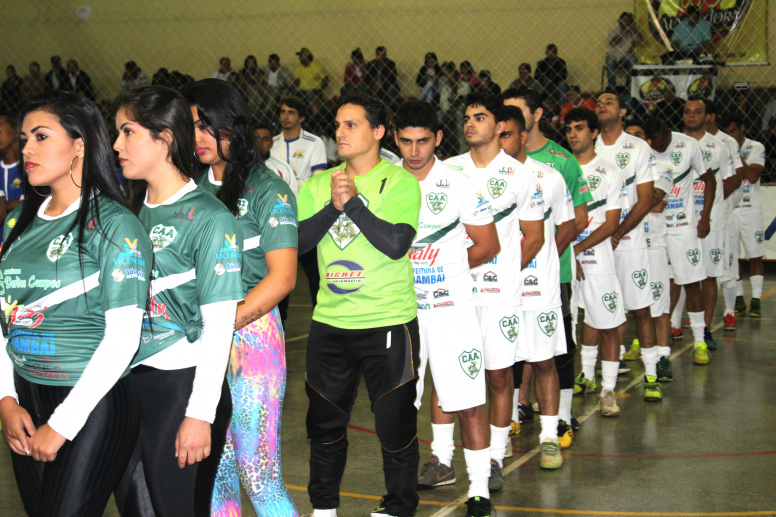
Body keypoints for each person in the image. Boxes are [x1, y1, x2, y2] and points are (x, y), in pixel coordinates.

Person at [0, 90, 152, 516]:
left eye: (41, 136)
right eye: (25, 137)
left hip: (93, 402)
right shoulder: (17, 222)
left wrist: (64, 424)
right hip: (26, 402)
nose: (25, 148)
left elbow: (123, 340)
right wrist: (7, 401)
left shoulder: (116, 225)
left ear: (79, 144)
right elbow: (3, 320)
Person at [112, 85, 240, 517]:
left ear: (164, 138)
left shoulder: (210, 217)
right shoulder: (122, 212)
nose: (116, 145)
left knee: (175, 508)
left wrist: (200, 413)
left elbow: (220, 324)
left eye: (127, 132)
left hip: (179, 386)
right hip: (123, 385)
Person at [297, 90, 421, 517]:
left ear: (378, 131)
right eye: (337, 125)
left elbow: (396, 244)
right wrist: (334, 207)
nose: (340, 132)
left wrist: (352, 205)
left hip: (386, 321)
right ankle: (324, 508)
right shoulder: (317, 184)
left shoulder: (401, 181)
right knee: (324, 423)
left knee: (395, 422)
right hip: (330, 323)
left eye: (351, 124)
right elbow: (297, 243)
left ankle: (400, 506)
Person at [184, 78, 299, 517]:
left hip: (251, 338)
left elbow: (284, 277)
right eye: (191, 126)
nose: (197, 137)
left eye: (205, 126)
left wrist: (224, 322)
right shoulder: (189, 188)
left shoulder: (268, 190)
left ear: (232, 126)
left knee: (259, 473)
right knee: (215, 471)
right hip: (196, 341)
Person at [394, 100, 499, 516]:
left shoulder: (459, 183)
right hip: (400, 312)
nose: (414, 151)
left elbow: (489, 245)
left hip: (453, 310)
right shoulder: (382, 183)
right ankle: (400, 492)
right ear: (395, 138)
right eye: (406, 141)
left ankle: (479, 491)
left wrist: (446, 268)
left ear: (438, 139)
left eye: (423, 141)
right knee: (399, 405)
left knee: (469, 399)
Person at [445, 93, 546, 486]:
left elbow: (533, 237)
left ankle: (495, 457)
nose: (470, 123)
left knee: (500, 376)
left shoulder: (521, 174)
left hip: (500, 294)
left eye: (479, 117)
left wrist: (505, 273)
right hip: (453, 291)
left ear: (497, 125)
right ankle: (445, 456)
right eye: (467, 117)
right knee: (454, 374)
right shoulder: (450, 169)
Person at [503, 87, 592, 433]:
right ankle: (518, 409)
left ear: (535, 116)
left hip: (554, 272)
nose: (506, 116)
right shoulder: (496, 165)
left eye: (515, 110)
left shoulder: (560, 162)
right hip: (510, 274)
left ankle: (563, 415)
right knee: (513, 343)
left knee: (556, 345)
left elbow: (578, 219)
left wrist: (544, 262)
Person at [595, 91, 661, 386]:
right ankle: (596, 370)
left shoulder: (637, 147)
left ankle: (652, 376)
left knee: (640, 308)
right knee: (597, 310)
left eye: (609, 101)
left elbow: (646, 199)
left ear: (622, 111)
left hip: (628, 240)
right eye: (598, 102)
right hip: (594, 244)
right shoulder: (586, 147)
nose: (602, 105)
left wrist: (618, 232)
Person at [564, 107, 628, 414]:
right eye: (569, 129)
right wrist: (565, 252)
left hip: (597, 260)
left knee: (607, 324)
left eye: (579, 128)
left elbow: (611, 223)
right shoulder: (560, 170)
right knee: (568, 325)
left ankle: (608, 390)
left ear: (593, 132)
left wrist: (576, 250)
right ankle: (585, 377)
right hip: (564, 261)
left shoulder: (611, 172)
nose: (573, 134)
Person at [643, 117, 714, 366]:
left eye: (662, 144)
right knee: (652, 289)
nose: (658, 148)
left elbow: (710, 180)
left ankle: (700, 341)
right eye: (654, 145)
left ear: (667, 133)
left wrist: (705, 217)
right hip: (651, 228)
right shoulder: (643, 147)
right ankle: (646, 340)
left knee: (692, 283)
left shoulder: (688, 145)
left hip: (683, 226)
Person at [673, 97, 735, 355]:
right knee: (675, 274)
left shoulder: (719, 146)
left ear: (707, 116)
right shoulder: (675, 142)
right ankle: (672, 324)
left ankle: (706, 327)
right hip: (681, 221)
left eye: (697, 112)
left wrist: (712, 209)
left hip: (711, 221)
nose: (691, 116)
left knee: (709, 274)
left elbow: (729, 181)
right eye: (688, 112)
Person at [624, 119, 675, 390]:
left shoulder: (663, 166)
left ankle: (664, 357)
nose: (633, 139)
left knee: (657, 303)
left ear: (649, 141)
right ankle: (617, 358)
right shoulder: (615, 167)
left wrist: (632, 199)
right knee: (621, 306)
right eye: (628, 135)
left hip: (653, 242)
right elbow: (645, 201)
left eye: (638, 135)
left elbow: (654, 199)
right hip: (626, 241)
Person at [724, 115, 767, 318]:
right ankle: (739, 298)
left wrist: (736, 155)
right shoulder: (722, 147)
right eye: (728, 132)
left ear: (742, 128)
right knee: (733, 256)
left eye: (734, 131)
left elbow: (752, 175)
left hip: (751, 209)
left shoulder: (755, 147)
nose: (731, 135)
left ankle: (756, 299)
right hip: (731, 208)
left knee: (755, 254)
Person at [255, 122, 299, 196]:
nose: (260, 143)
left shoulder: (283, 168)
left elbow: (293, 197)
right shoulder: (239, 166)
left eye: (265, 139)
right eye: (256, 138)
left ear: (271, 143)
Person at [606, 12, 642, 89]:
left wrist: (633, 29)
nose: (627, 23)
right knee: (609, 60)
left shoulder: (632, 32)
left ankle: (629, 86)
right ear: (620, 21)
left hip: (625, 57)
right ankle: (612, 88)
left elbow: (640, 40)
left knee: (633, 59)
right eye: (625, 20)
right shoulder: (614, 30)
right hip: (613, 56)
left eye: (630, 21)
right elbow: (612, 42)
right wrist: (624, 32)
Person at [0, 108, 23, 216]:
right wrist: (10, 205)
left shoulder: (30, 167)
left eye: (0, 127)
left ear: (16, 132)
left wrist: (6, 205)